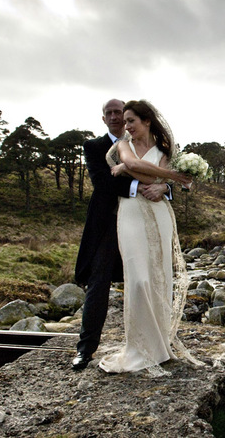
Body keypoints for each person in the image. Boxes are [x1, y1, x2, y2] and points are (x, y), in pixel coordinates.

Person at [98, 99, 202, 375]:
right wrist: (171, 177)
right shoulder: (123, 145)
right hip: (131, 213)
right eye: (125, 120)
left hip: (159, 214)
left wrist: (164, 185)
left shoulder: (165, 149)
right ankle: (139, 348)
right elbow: (132, 163)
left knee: (160, 276)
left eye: (131, 120)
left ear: (147, 121)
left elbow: (139, 173)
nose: (126, 125)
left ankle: (159, 346)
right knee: (139, 277)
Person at [72, 99, 170, 370]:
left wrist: (166, 187)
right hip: (108, 224)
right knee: (99, 282)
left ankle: (155, 344)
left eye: (120, 113)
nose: (116, 118)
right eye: (110, 113)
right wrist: (142, 184)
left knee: (148, 279)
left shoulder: (149, 143)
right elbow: (103, 182)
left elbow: (167, 181)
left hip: (145, 222)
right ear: (103, 119)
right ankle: (85, 349)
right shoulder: (94, 147)